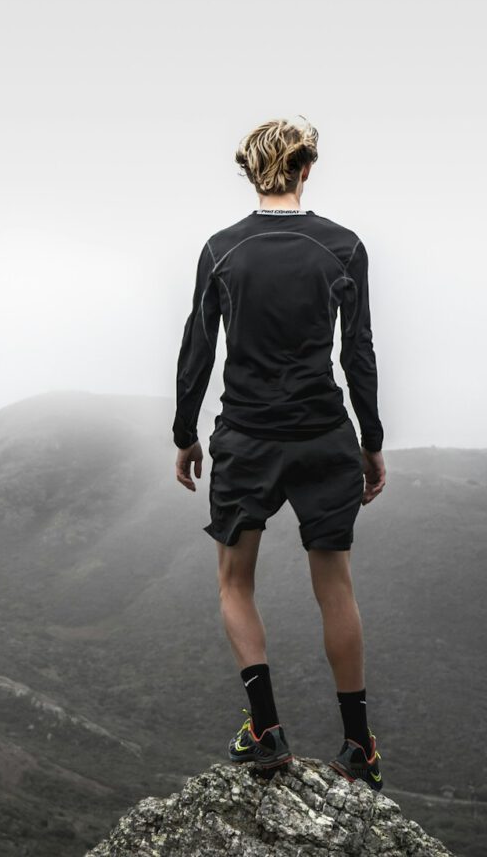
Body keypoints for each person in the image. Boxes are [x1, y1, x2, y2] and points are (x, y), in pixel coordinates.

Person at [171, 115, 387, 790]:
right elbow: (358, 352)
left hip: (247, 437)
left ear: (249, 171)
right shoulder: (343, 247)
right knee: (336, 587)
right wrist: (371, 442)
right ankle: (358, 747)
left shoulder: (222, 251)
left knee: (235, 581)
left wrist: (185, 433)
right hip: (325, 433)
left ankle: (266, 730)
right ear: (305, 170)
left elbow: (199, 348)